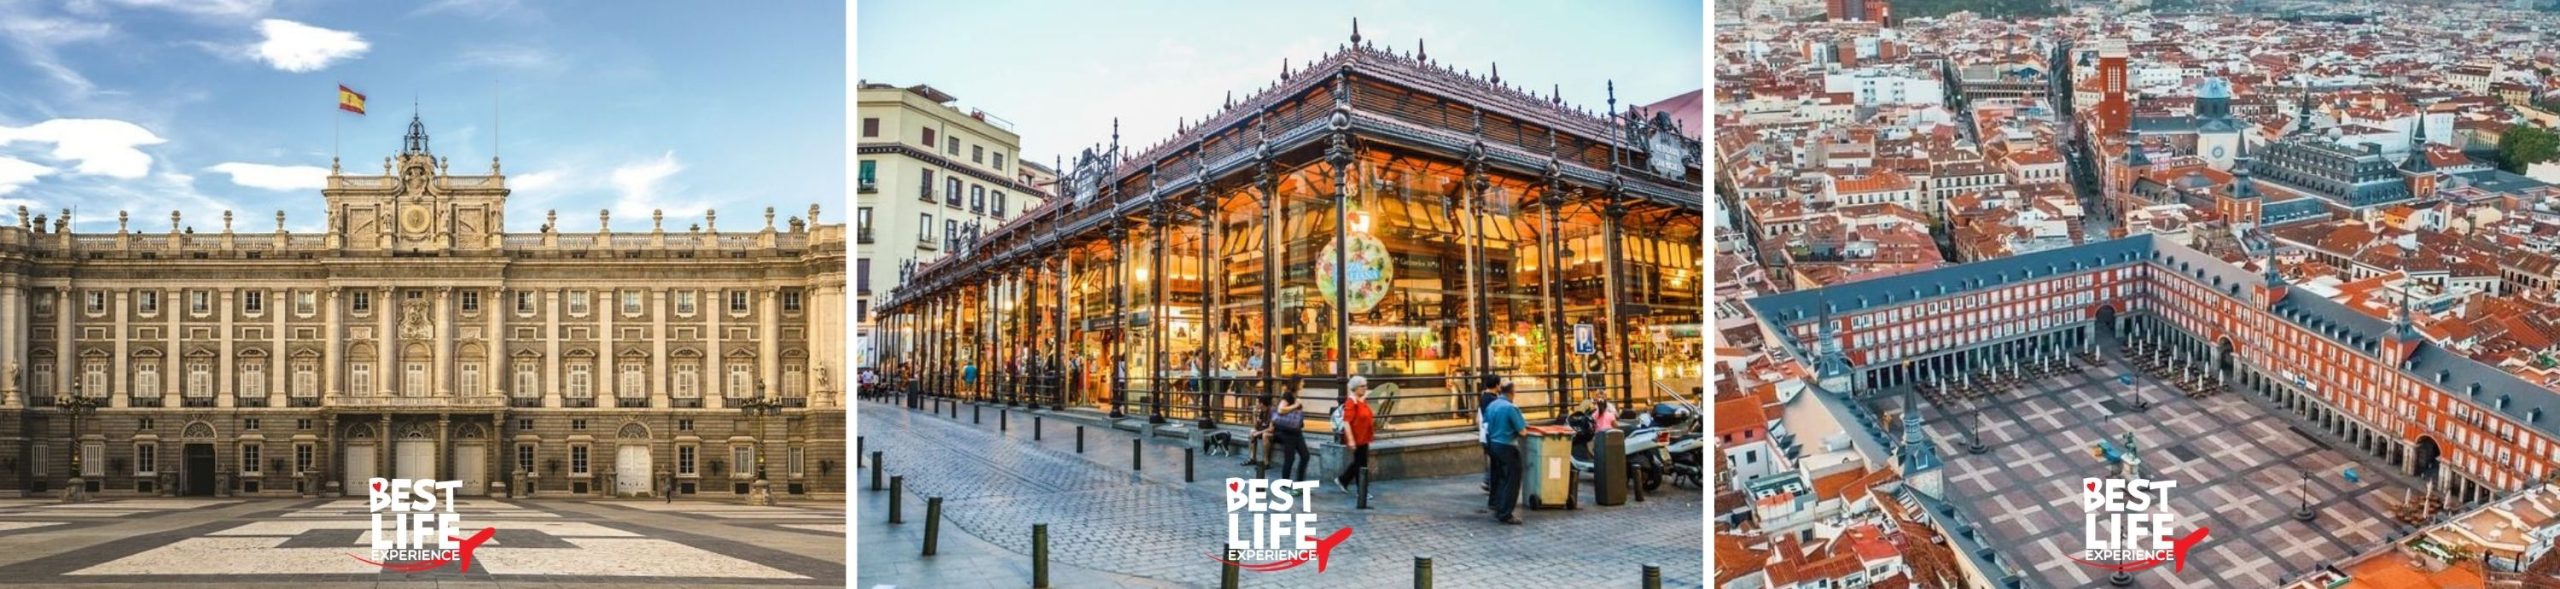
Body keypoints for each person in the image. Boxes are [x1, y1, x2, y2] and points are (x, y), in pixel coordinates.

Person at [1485, 381, 1528, 525]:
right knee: (1512, 480)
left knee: (1501, 478)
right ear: (1512, 393)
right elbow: (1522, 431)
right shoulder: (1511, 408)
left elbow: (1486, 425)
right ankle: (1505, 513)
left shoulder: (1492, 405)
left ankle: (1499, 507)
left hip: (1493, 444)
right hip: (1507, 446)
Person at [1334, 376, 1376, 499]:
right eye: (1362, 386)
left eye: (1366, 385)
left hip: (1364, 436)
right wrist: (1351, 440)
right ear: (1355, 388)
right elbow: (1346, 422)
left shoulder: (1362, 400)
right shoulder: (1351, 402)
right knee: (1361, 465)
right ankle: (1361, 491)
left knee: (1359, 462)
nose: (1365, 388)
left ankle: (1343, 480)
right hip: (1357, 438)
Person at [1272, 390, 1310, 482]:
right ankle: (1285, 483)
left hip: (1297, 431)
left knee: (1305, 456)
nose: (1303, 385)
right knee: (1290, 458)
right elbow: (1280, 410)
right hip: (1288, 432)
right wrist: (1296, 405)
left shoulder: (1295, 397)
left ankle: (1300, 481)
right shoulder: (1288, 396)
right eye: (1301, 383)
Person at [1476, 375, 1501, 496]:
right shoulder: (1492, 399)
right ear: (1496, 385)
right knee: (1495, 460)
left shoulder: (1484, 397)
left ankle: (1488, 481)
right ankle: (1488, 481)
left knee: (1493, 459)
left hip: (1484, 433)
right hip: (1490, 434)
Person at [1242, 397, 1273, 467]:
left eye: (1256, 402)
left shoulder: (1271, 412)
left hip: (1274, 433)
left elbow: (1271, 429)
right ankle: (1252, 458)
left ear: (1261, 404)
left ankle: (1266, 462)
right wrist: (1254, 415)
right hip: (1263, 431)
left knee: (1265, 435)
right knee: (1252, 432)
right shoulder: (1262, 412)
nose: (1255, 404)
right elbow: (1256, 426)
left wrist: (1259, 433)